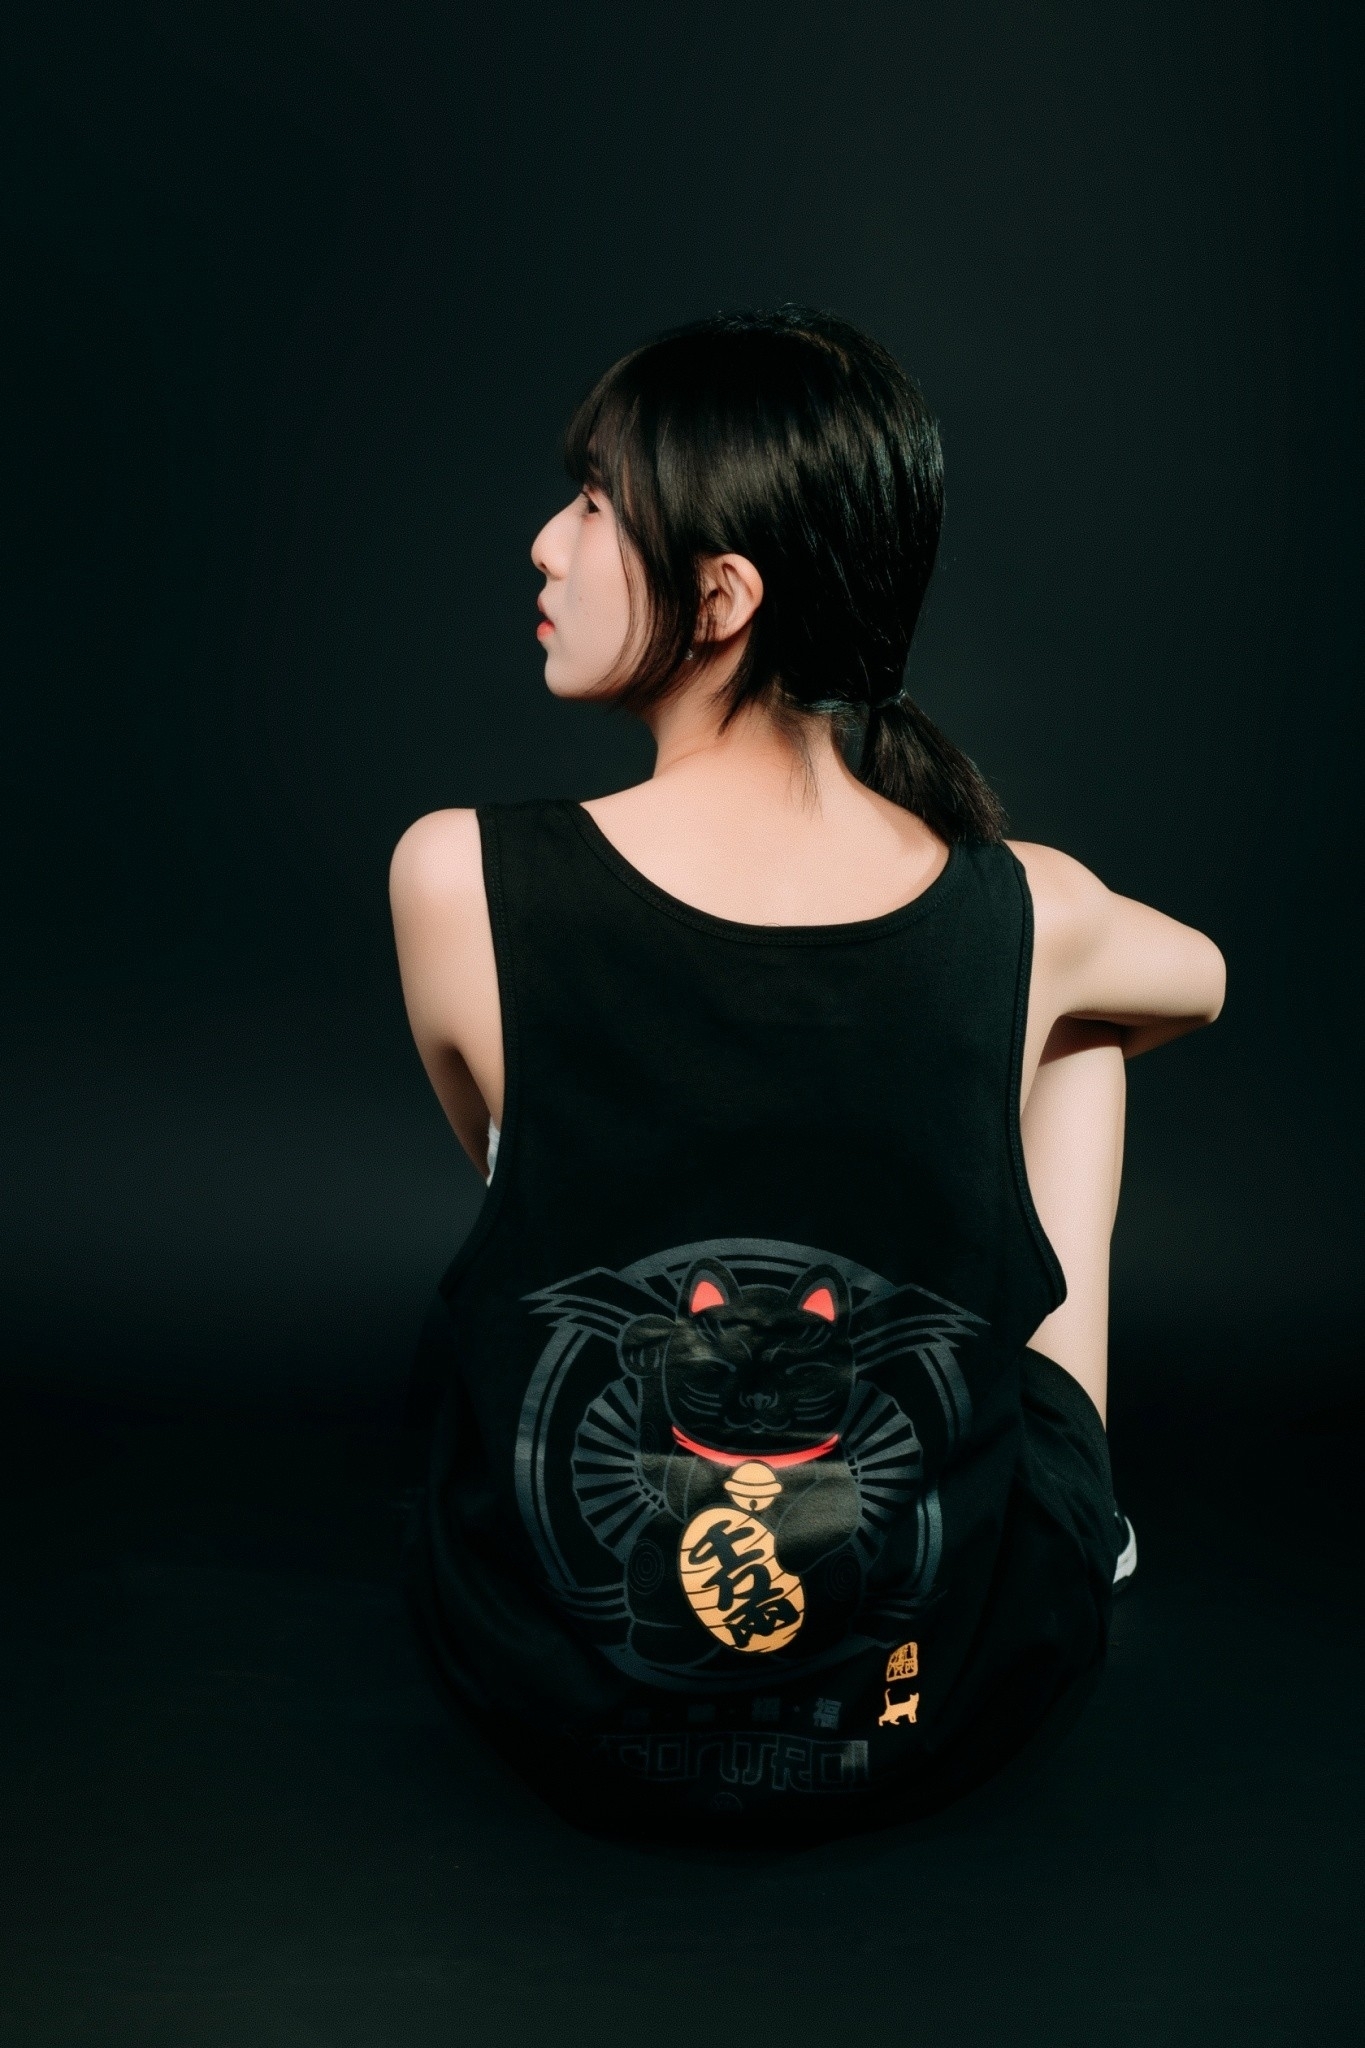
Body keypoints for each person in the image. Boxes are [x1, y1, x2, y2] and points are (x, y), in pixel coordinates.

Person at [387, 307, 1225, 1842]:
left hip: (556, 1697)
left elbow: (513, 1157)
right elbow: (1202, 980)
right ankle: (1080, 1509)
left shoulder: (458, 880)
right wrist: (958, 1038)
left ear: (720, 597)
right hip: (924, 1707)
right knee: (1078, 1028)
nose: (545, 544)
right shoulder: (1022, 905)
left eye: (593, 505)